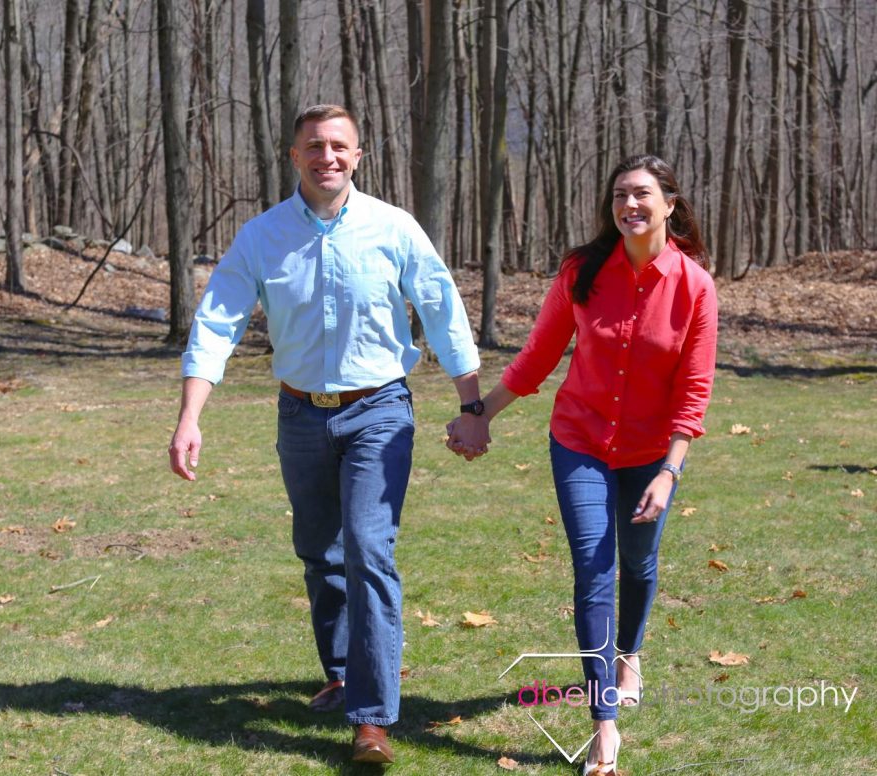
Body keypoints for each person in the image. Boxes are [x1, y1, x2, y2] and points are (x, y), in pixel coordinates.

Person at [168, 104, 484, 764]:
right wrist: (190, 415)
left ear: (358, 156)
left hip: (380, 411)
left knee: (369, 547)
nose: (328, 157)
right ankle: (343, 671)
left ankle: (372, 718)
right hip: (300, 415)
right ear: (294, 156)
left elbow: (441, 307)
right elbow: (218, 321)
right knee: (320, 549)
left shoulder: (392, 229)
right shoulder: (262, 236)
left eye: (340, 146)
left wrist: (471, 404)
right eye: (315, 146)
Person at [447, 155, 717, 775]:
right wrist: (481, 413)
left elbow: (694, 388)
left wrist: (670, 470)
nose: (630, 205)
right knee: (594, 570)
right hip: (580, 443)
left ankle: (632, 652)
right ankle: (604, 727)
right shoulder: (582, 271)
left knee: (639, 562)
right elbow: (540, 353)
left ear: (669, 205)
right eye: (621, 195)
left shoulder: (695, 286)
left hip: (652, 454)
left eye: (643, 194)